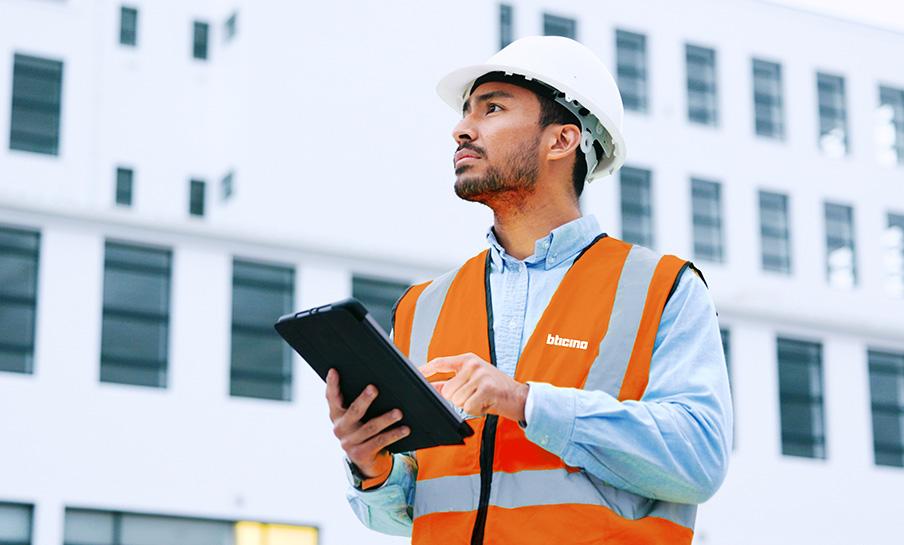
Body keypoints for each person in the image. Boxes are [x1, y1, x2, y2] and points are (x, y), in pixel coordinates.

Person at [325, 36, 732, 544]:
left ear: (561, 140)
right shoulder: (421, 309)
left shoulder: (661, 287)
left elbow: (698, 460)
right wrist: (371, 466)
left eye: (492, 108)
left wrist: (524, 402)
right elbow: (404, 514)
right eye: (466, 113)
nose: (461, 129)